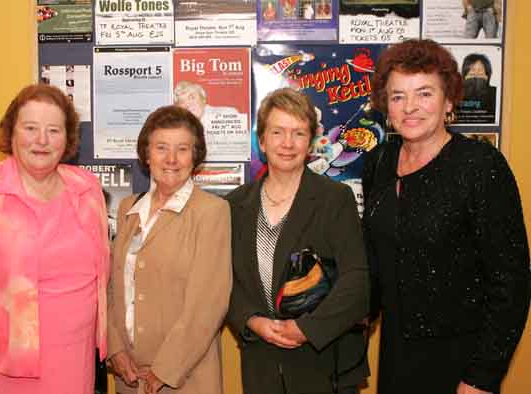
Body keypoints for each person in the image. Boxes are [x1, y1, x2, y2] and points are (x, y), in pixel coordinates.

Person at [363, 39, 530, 394]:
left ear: (449, 100)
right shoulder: (378, 162)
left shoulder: (480, 166)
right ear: (385, 105)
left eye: (424, 93)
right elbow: (376, 259)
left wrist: (483, 375)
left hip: (462, 362)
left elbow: (511, 282)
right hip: (396, 354)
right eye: (397, 96)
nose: (410, 107)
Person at [0, 83, 110, 393]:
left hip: (76, 360)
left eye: (54, 130)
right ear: (11, 133)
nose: (42, 140)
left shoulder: (87, 188)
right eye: (30, 128)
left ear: (68, 138)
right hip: (8, 367)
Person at [226, 88, 370, 394]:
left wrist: (306, 329)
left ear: (312, 143)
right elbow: (225, 280)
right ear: (262, 141)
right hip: (260, 364)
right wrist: (251, 320)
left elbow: (356, 280)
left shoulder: (335, 199)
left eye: (298, 133)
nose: (287, 143)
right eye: (277, 132)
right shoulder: (235, 205)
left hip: (322, 361)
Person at [107, 105, 232, 394]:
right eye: (161, 147)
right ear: (146, 154)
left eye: (182, 149)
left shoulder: (211, 212)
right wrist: (116, 351)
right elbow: (113, 287)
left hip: (183, 377)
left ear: (195, 156)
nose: (171, 159)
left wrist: (165, 369)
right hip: (129, 374)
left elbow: (207, 306)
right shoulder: (129, 209)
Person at [173, 81, 239, 122]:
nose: (187, 104)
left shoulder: (226, 113)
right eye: (182, 102)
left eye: (192, 97)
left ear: (203, 99)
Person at [459, 53, 497, 120]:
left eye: (480, 73)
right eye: (472, 73)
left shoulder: (496, 94)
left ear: (487, 76)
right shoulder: (456, 95)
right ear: (465, 76)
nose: (476, 75)